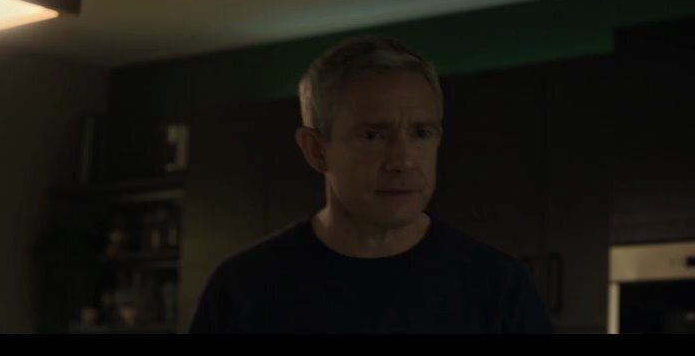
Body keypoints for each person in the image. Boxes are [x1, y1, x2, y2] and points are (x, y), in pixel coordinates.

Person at [188, 36, 553, 334]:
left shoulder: (498, 287)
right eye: (373, 135)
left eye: (421, 133)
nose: (403, 161)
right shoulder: (243, 289)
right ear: (316, 150)